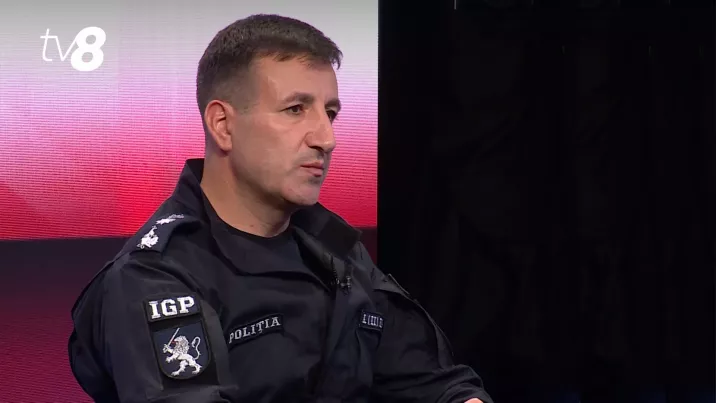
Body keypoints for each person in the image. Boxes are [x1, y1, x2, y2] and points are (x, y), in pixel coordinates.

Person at [67, 14, 492, 403]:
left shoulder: (336, 249)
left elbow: (433, 383)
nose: (326, 139)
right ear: (223, 125)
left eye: (330, 113)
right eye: (295, 110)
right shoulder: (156, 278)